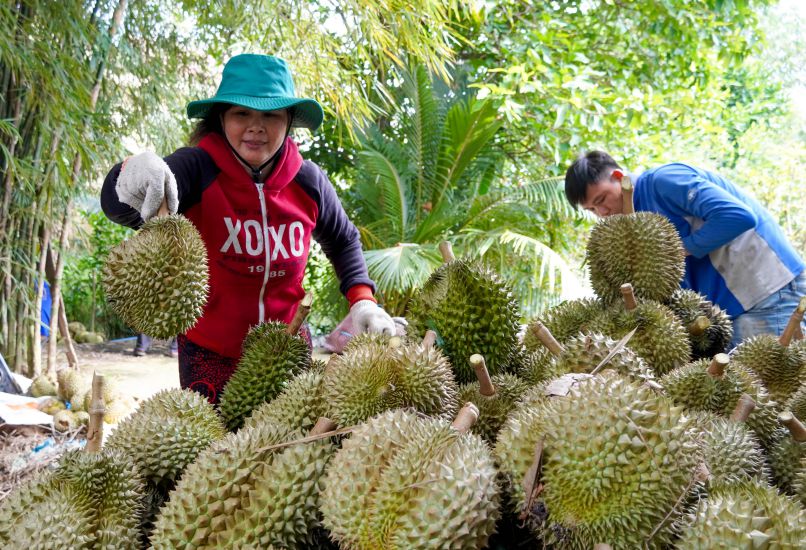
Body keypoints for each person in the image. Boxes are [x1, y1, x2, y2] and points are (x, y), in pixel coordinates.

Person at [101, 54, 395, 403]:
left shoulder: (309, 180)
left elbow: (343, 239)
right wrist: (131, 170)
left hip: (285, 343)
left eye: (271, 115)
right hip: (209, 349)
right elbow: (121, 205)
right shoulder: (196, 168)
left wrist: (363, 301)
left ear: (288, 121)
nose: (257, 126)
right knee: (217, 451)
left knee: (286, 450)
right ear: (221, 118)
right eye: (242, 113)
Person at [564, 150, 805, 348]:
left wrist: (676, 250)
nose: (602, 213)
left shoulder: (663, 181)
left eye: (602, 199)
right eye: (592, 210)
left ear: (619, 177)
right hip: (735, 310)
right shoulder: (630, 229)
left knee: (781, 388)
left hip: (770, 288)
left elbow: (737, 216)